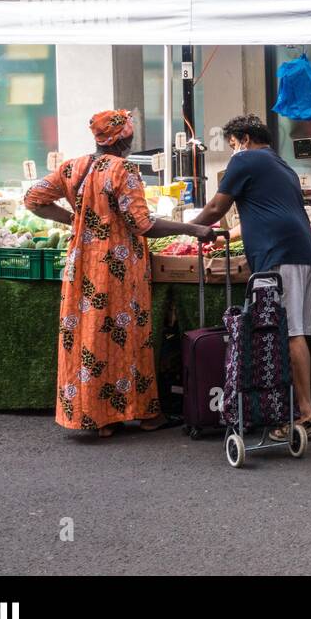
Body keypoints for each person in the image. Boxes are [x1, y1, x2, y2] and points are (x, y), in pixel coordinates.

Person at [25, 109, 213, 437]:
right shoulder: (123, 169)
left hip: (81, 263)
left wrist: (74, 220)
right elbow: (143, 224)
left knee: (87, 336)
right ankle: (143, 414)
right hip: (117, 268)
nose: (132, 136)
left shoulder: (72, 167)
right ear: (123, 137)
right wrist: (193, 229)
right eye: (130, 131)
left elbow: (33, 199)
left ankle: (97, 417)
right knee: (125, 337)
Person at [190, 114, 311, 439]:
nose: (234, 150)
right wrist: (225, 236)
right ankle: (298, 410)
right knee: (296, 331)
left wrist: (190, 229)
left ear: (245, 138)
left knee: (288, 332)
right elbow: (260, 214)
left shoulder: (246, 160)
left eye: (234, 144)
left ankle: (305, 411)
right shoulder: (280, 165)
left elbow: (214, 208)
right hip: (301, 252)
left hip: (279, 254)